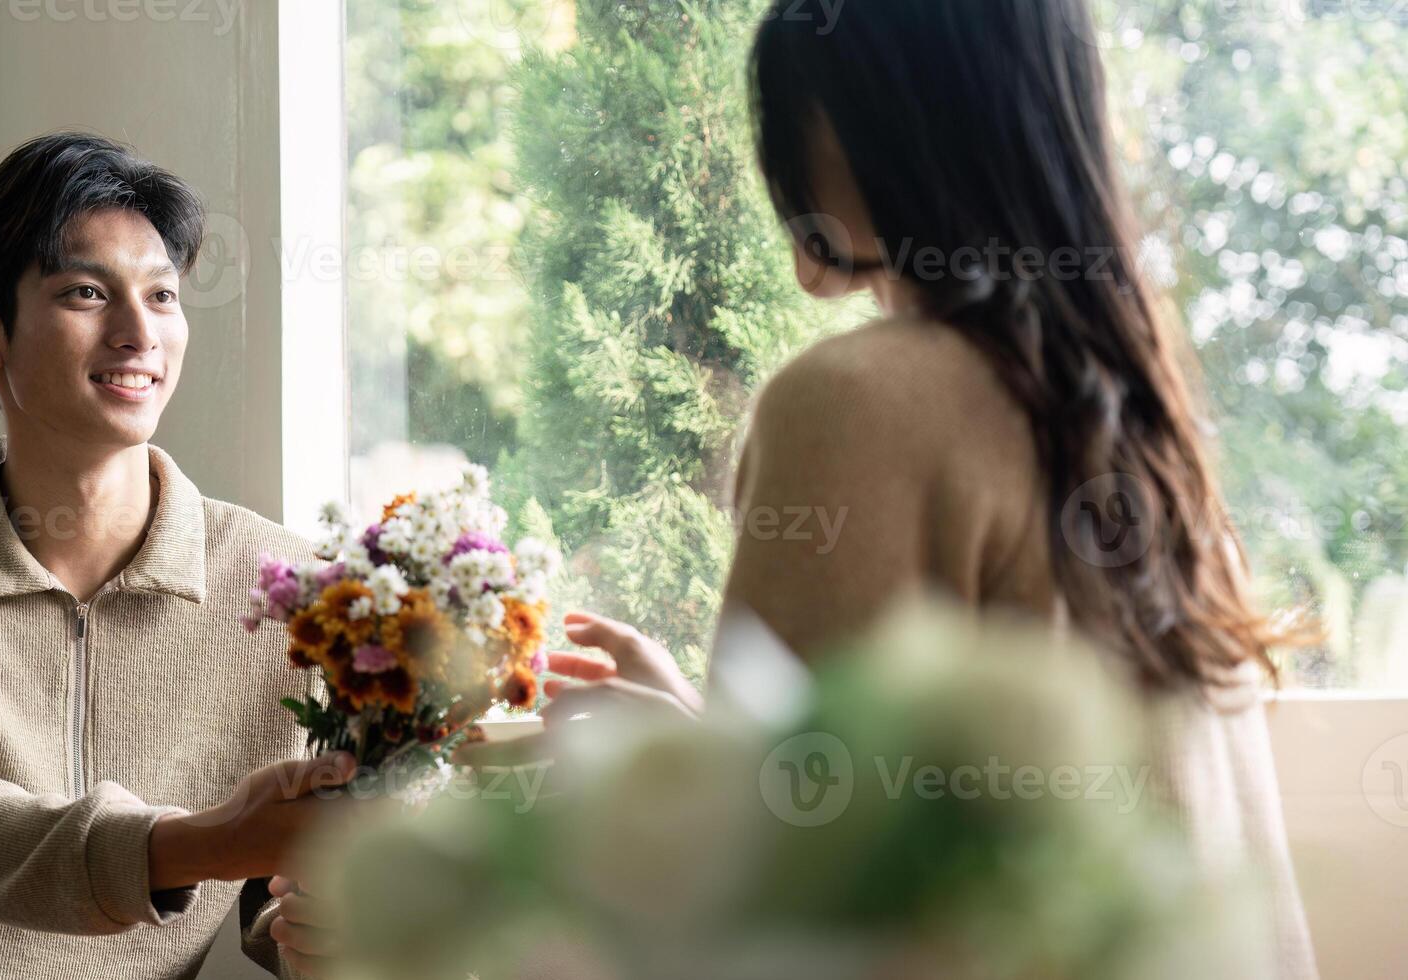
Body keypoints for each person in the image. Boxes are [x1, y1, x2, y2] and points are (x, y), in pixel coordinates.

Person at [537, 2, 1317, 976]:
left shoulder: (856, 399)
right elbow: (961, 842)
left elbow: (778, 915)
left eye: (790, 112)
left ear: (880, 118)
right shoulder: (1140, 422)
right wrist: (707, 741)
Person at [0, 133, 340, 979]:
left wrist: (325, 931)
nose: (138, 333)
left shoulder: (293, 590)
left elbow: (278, 899)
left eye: (162, 295)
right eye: (86, 292)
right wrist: (207, 838)